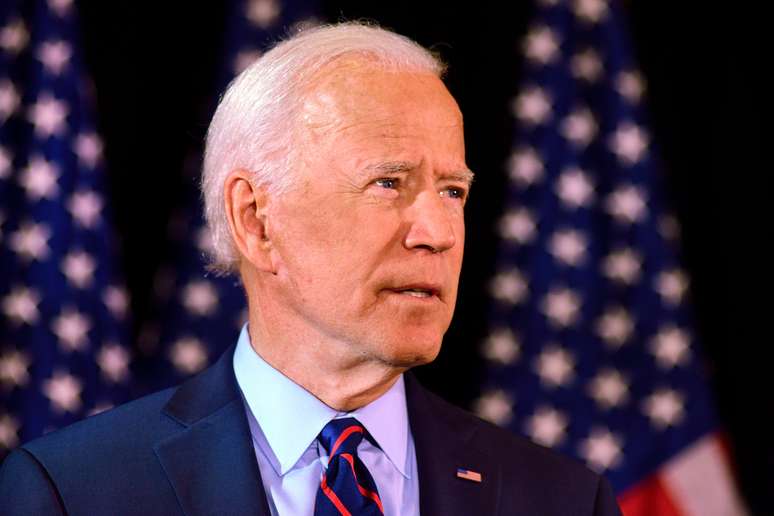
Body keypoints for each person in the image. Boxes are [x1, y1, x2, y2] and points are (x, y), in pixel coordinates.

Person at [0, 23, 621, 515]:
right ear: (256, 220)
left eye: (453, 191)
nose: (438, 233)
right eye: (388, 182)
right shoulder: (75, 493)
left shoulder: (562, 498)